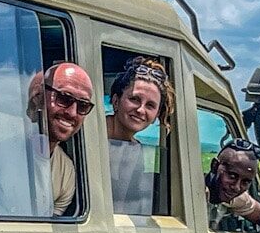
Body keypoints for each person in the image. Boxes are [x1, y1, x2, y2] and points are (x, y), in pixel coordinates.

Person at [105, 56, 175, 215]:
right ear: (116, 101)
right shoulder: (91, 135)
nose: (140, 110)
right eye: (134, 99)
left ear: (157, 114)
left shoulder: (136, 150)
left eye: (150, 105)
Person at [25, 63, 95, 216]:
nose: (72, 112)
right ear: (39, 98)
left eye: (83, 105)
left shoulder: (66, 171)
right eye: (64, 98)